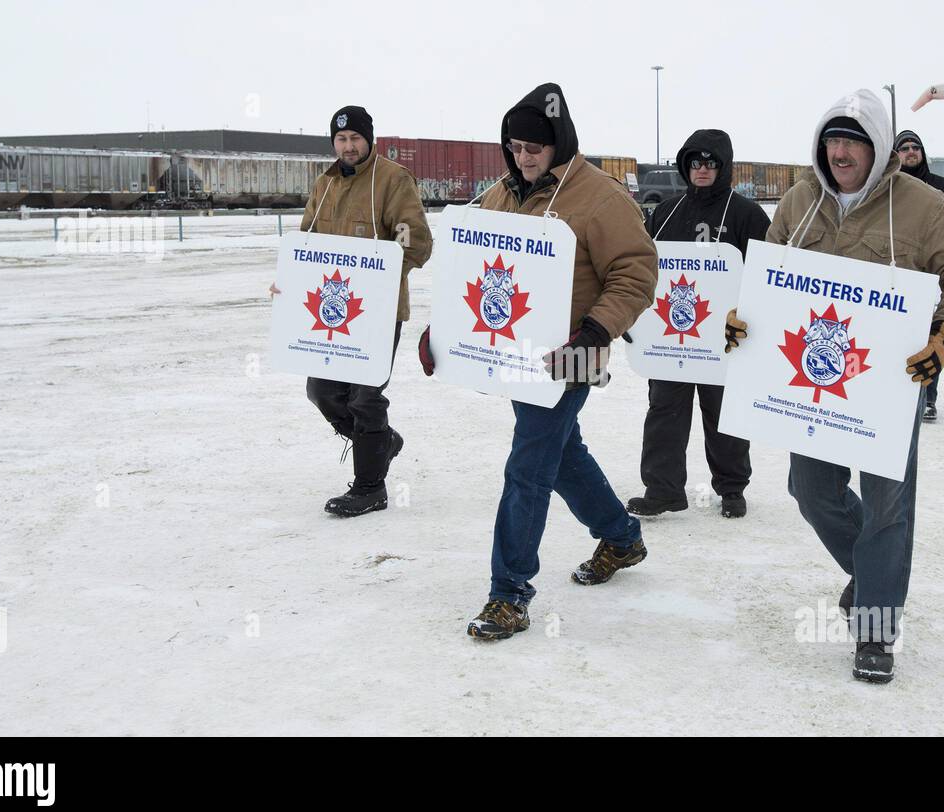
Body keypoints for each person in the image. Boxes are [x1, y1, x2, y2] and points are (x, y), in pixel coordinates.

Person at [724, 90, 944, 683]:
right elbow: (765, 275)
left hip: (890, 383)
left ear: (877, 148)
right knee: (809, 489)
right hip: (811, 382)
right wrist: (743, 317)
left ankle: (876, 626)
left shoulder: (926, 207)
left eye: (853, 141)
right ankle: (873, 576)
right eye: (832, 140)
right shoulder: (798, 201)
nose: (840, 151)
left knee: (889, 506)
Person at [418, 83, 658, 640]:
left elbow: (636, 272)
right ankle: (622, 537)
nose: (523, 157)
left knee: (528, 464)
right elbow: (470, 271)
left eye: (535, 148)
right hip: (517, 356)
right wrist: (443, 331)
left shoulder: (599, 196)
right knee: (560, 452)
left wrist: (594, 333)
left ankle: (509, 593)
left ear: (560, 144)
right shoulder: (500, 194)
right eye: (515, 146)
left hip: (574, 352)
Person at [272, 105, 432, 517]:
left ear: (369, 139)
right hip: (330, 313)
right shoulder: (324, 184)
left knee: (364, 396)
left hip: (377, 313)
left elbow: (416, 243)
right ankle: (383, 443)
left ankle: (369, 487)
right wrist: (289, 280)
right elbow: (306, 244)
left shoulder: (394, 180)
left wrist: (376, 278)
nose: (348, 146)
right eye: (341, 140)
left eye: (355, 138)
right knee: (321, 391)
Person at [627, 129, 770, 519]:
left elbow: (766, 276)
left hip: (724, 339)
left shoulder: (747, 215)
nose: (702, 169)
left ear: (724, 167)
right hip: (670, 334)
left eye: (710, 162)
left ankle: (732, 487)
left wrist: (753, 319)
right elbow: (644, 269)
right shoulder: (666, 211)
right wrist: (635, 317)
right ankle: (663, 489)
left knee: (723, 414)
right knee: (664, 411)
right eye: (694, 162)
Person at [894, 129, 944, 423]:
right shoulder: (883, 188)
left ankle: (928, 397)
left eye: (916, 147)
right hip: (895, 277)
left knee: (928, 338)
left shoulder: (943, 189)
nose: (911, 152)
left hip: (930, 278)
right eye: (904, 148)